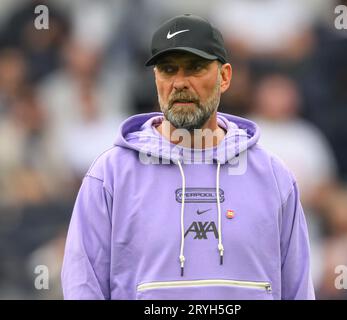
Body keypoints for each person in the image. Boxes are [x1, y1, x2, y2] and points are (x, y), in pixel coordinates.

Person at [61, 14, 315, 300]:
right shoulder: (111, 174)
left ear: (225, 77)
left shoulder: (272, 175)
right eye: (168, 69)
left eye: (195, 68)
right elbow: (83, 286)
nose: (180, 82)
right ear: (156, 79)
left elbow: (298, 289)